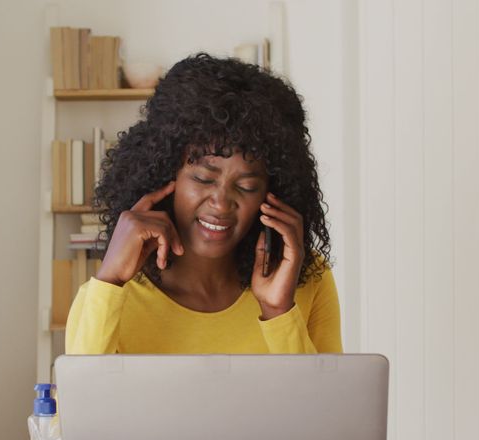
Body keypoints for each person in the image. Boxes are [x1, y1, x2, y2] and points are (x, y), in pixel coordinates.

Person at [65, 53, 340, 354]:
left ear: (271, 193)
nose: (221, 204)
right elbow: (81, 399)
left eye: (247, 186)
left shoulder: (305, 278)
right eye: (204, 179)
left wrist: (278, 311)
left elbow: (325, 402)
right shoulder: (110, 295)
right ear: (165, 174)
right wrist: (110, 280)